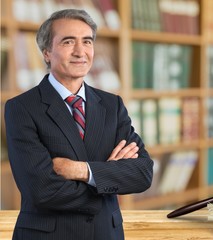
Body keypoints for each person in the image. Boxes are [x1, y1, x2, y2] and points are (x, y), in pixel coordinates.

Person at [5, 9, 154, 240]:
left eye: (87, 41)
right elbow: (42, 191)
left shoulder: (111, 105)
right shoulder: (21, 108)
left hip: (106, 233)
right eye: (68, 41)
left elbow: (143, 173)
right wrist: (107, 178)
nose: (80, 51)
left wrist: (82, 170)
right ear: (46, 52)